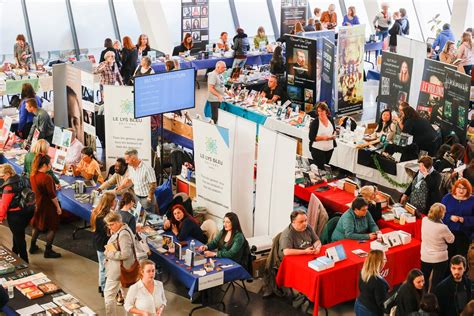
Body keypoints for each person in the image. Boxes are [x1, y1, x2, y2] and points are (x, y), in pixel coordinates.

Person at [103, 212, 136, 316]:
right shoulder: (123, 229)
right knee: (127, 296)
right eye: (108, 225)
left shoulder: (124, 234)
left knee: (109, 295)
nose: (109, 227)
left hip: (118, 271)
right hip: (124, 269)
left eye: (111, 224)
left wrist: (109, 254)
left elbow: (126, 254)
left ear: (119, 222)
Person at [29, 154, 62, 258]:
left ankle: (32, 246)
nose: (50, 165)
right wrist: (58, 207)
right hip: (47, 206)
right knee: (52, 226)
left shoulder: (33, 175)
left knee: (37, 225)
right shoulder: (47, 178)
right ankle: (48, 250)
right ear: (44, 165)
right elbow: (53, 196)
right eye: (49, 163)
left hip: (36, 204)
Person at [0, 164, 34, 263]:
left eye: (3, 176)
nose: (2, 179)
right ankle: (14, 253)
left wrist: (0, 218)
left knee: (20, 239)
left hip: (15, 216)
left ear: (8, 173)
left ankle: (24, 261)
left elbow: (4, 205)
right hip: (27, 211)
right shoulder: (23, 178)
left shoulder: (8, 187)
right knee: (18, 235)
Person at [421, 203, 455, 293]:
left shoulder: (424, 220)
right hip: (439, 258)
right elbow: (451, 240)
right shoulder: (443, 227)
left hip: (425, 256)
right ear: (441, 215)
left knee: (424, 279)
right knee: (436, 281)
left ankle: (422, 296)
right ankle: (433, 298)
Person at [90, 191, 116, 295]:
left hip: (98, 242)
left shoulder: (96, 212)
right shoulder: (106, 217)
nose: (115, 202)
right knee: (105, 267)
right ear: (110, 202)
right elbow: (110, 233)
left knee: (102, 266)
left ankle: (102, 286)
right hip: (105, 244)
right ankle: (104, 288)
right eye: (114, 201)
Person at [441, 178, 474, 259]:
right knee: (448, 256)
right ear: (455, 188)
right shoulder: (447, 198)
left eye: (464, 188)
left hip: (465, 234)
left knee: (461, 257)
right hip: (448, 233)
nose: (461, 190)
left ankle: (461, 271)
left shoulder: (472, 200)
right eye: (459, 187)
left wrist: (464, 219)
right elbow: (440, 215)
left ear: (468, 189)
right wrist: (450, 217)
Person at [119, 148, 157, 213]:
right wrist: (121, 187)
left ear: (133, 159)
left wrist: (149, 197)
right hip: (136, 197)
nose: (126, 162)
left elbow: (153, 184)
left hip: (146, 198)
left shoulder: (147, 168)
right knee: (138, 215)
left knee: (149, 217)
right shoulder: (130, 167)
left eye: (127, 159)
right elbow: (131, 180)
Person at [355, 249, 389, 316]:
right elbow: (382, 303)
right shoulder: (378, 282)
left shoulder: (363, 272)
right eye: (384, 259)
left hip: (359, 304)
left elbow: (360, 288)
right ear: (379, 262)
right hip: (370, 311)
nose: (386, 261)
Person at [308, 102, 337, 170]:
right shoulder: (315, 122)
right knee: (321, 169)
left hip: (329, 149)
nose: (320, 113)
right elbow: (311, 137)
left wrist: (334, 135)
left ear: (326, 111)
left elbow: (334, 130)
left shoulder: (330, 119)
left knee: (326, 168)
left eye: (322, 111)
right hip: (318, 150)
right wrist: (325, 138)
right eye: (319, 111)